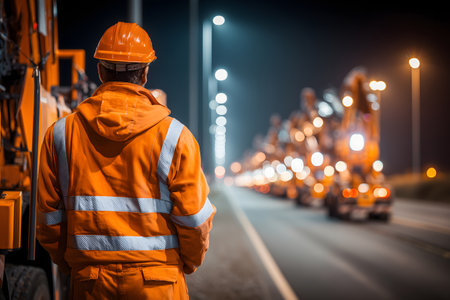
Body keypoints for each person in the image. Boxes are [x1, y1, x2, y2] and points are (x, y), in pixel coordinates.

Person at [37, 22, 215, 299]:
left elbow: (48, 220)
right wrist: (187, 263)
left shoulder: (60, 134)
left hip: (90, 283)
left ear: (99, 70)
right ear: (145, 73)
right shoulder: (176, 136)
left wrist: (74, 263)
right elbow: (193, 220)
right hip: (159, 284)